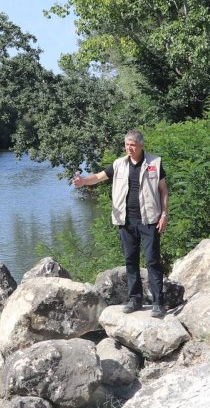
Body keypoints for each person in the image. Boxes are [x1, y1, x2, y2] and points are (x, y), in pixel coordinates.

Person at [71, 130, 170, 317]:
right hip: (126, 221)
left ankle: (158, 302)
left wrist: (164, 214)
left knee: (152, 260)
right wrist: (83, 181)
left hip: (149, 220)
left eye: (132, 144)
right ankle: (135, 299)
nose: (128, 148)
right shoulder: (119, 164)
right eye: (126, 144)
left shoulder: (155, 163)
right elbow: (99, 177)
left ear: (141, 145)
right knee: (130, 261)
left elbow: (164, 190)